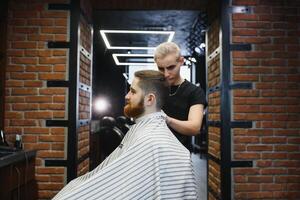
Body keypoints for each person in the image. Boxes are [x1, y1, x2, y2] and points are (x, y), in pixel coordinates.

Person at [53, 70, 198, 200]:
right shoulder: (142, 130)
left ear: (150, 99)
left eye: (133, 91)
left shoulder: (151, 142)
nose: (127, 96)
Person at [154, 42, 206, 151]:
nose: (166, 74)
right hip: (151, 152)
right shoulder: (152, 88)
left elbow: (194, 128)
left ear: (181, 61)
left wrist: (167, 120)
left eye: (171, 67)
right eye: (161, 69)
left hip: (179, 155)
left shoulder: (194, 92)